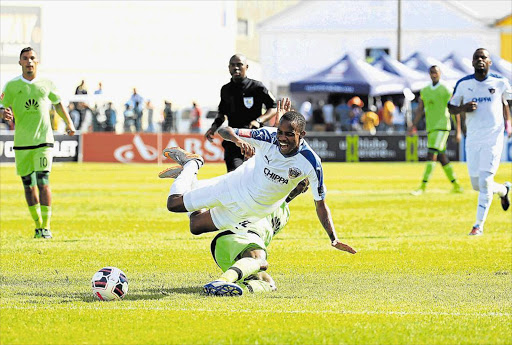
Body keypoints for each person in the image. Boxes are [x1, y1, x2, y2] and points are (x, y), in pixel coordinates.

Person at [161, 99, 356, 255]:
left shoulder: (311, 162)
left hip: (249, 212)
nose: (282, 138)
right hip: (233, 187)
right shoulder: (268, 136)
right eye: (280, 132)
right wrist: (238, 140)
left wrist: (333, 238)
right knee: (174, 204)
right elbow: (224, 131)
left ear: (302, 134)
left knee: (195, 226)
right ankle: (192, 164)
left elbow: (320, 204)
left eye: (289, 134)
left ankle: (189, 179)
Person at [0, 47, 76, 239]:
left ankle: (46, 227)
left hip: (44, 141)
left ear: (37, 61)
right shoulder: (11, 86)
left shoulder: (47, 83)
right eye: (25, 58)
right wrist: (3, 113)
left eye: (32, 58)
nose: (29, 61)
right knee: (28, 185)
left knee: (43, 182)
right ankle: (37, 226)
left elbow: (58, 103)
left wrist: (69, 123)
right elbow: (2, 107)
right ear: (20, 62)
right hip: (22, 143)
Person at [203, 179, 309, 296]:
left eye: (301, 184)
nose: (295, 185)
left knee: (268, 283)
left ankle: (234, 289)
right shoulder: (269, 192)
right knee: (260, 260)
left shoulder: (285, 214)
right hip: (241, 235)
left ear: (305, 190)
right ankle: (222, 281)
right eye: (295, 180)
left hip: (235, 253)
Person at [448, 48, 512, 236]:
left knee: (484, 180)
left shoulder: (500, 82)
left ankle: (478, 225)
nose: (480, 60)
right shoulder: (463, 84)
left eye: (483, 57)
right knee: (477, 185)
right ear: (472, 62)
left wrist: (508, 124)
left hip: (493, 137)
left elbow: (507, 102)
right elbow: (451, 107)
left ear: (490, 62)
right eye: (476, 57)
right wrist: (463, 108)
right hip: (473, 139)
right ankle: (503, 190)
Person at [205, 54, 277, 172]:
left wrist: (258, 121)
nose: (236, 68)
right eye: (233, 65)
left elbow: (273, 108)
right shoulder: (226, 89)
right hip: (234, 138)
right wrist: (213, 128)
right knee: (234, 175)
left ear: (246, 67)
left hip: (254, 138)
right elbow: (222, 113)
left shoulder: (257, 87)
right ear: (229, 68)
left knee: (255, 176)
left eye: (239, 64)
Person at [409, 65, 463, 196]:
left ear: (440, 73)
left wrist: (458, 130)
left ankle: (422, 186)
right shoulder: (425, 90)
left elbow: (454, 109)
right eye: (432, 73)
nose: (434, 75)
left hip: (442, 126)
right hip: (431, 127)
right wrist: (413, 125)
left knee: (431, 154)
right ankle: (456, 185)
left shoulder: (446, 89)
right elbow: (420, 109)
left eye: (436, 72)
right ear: (429, 74)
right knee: (442, 157)